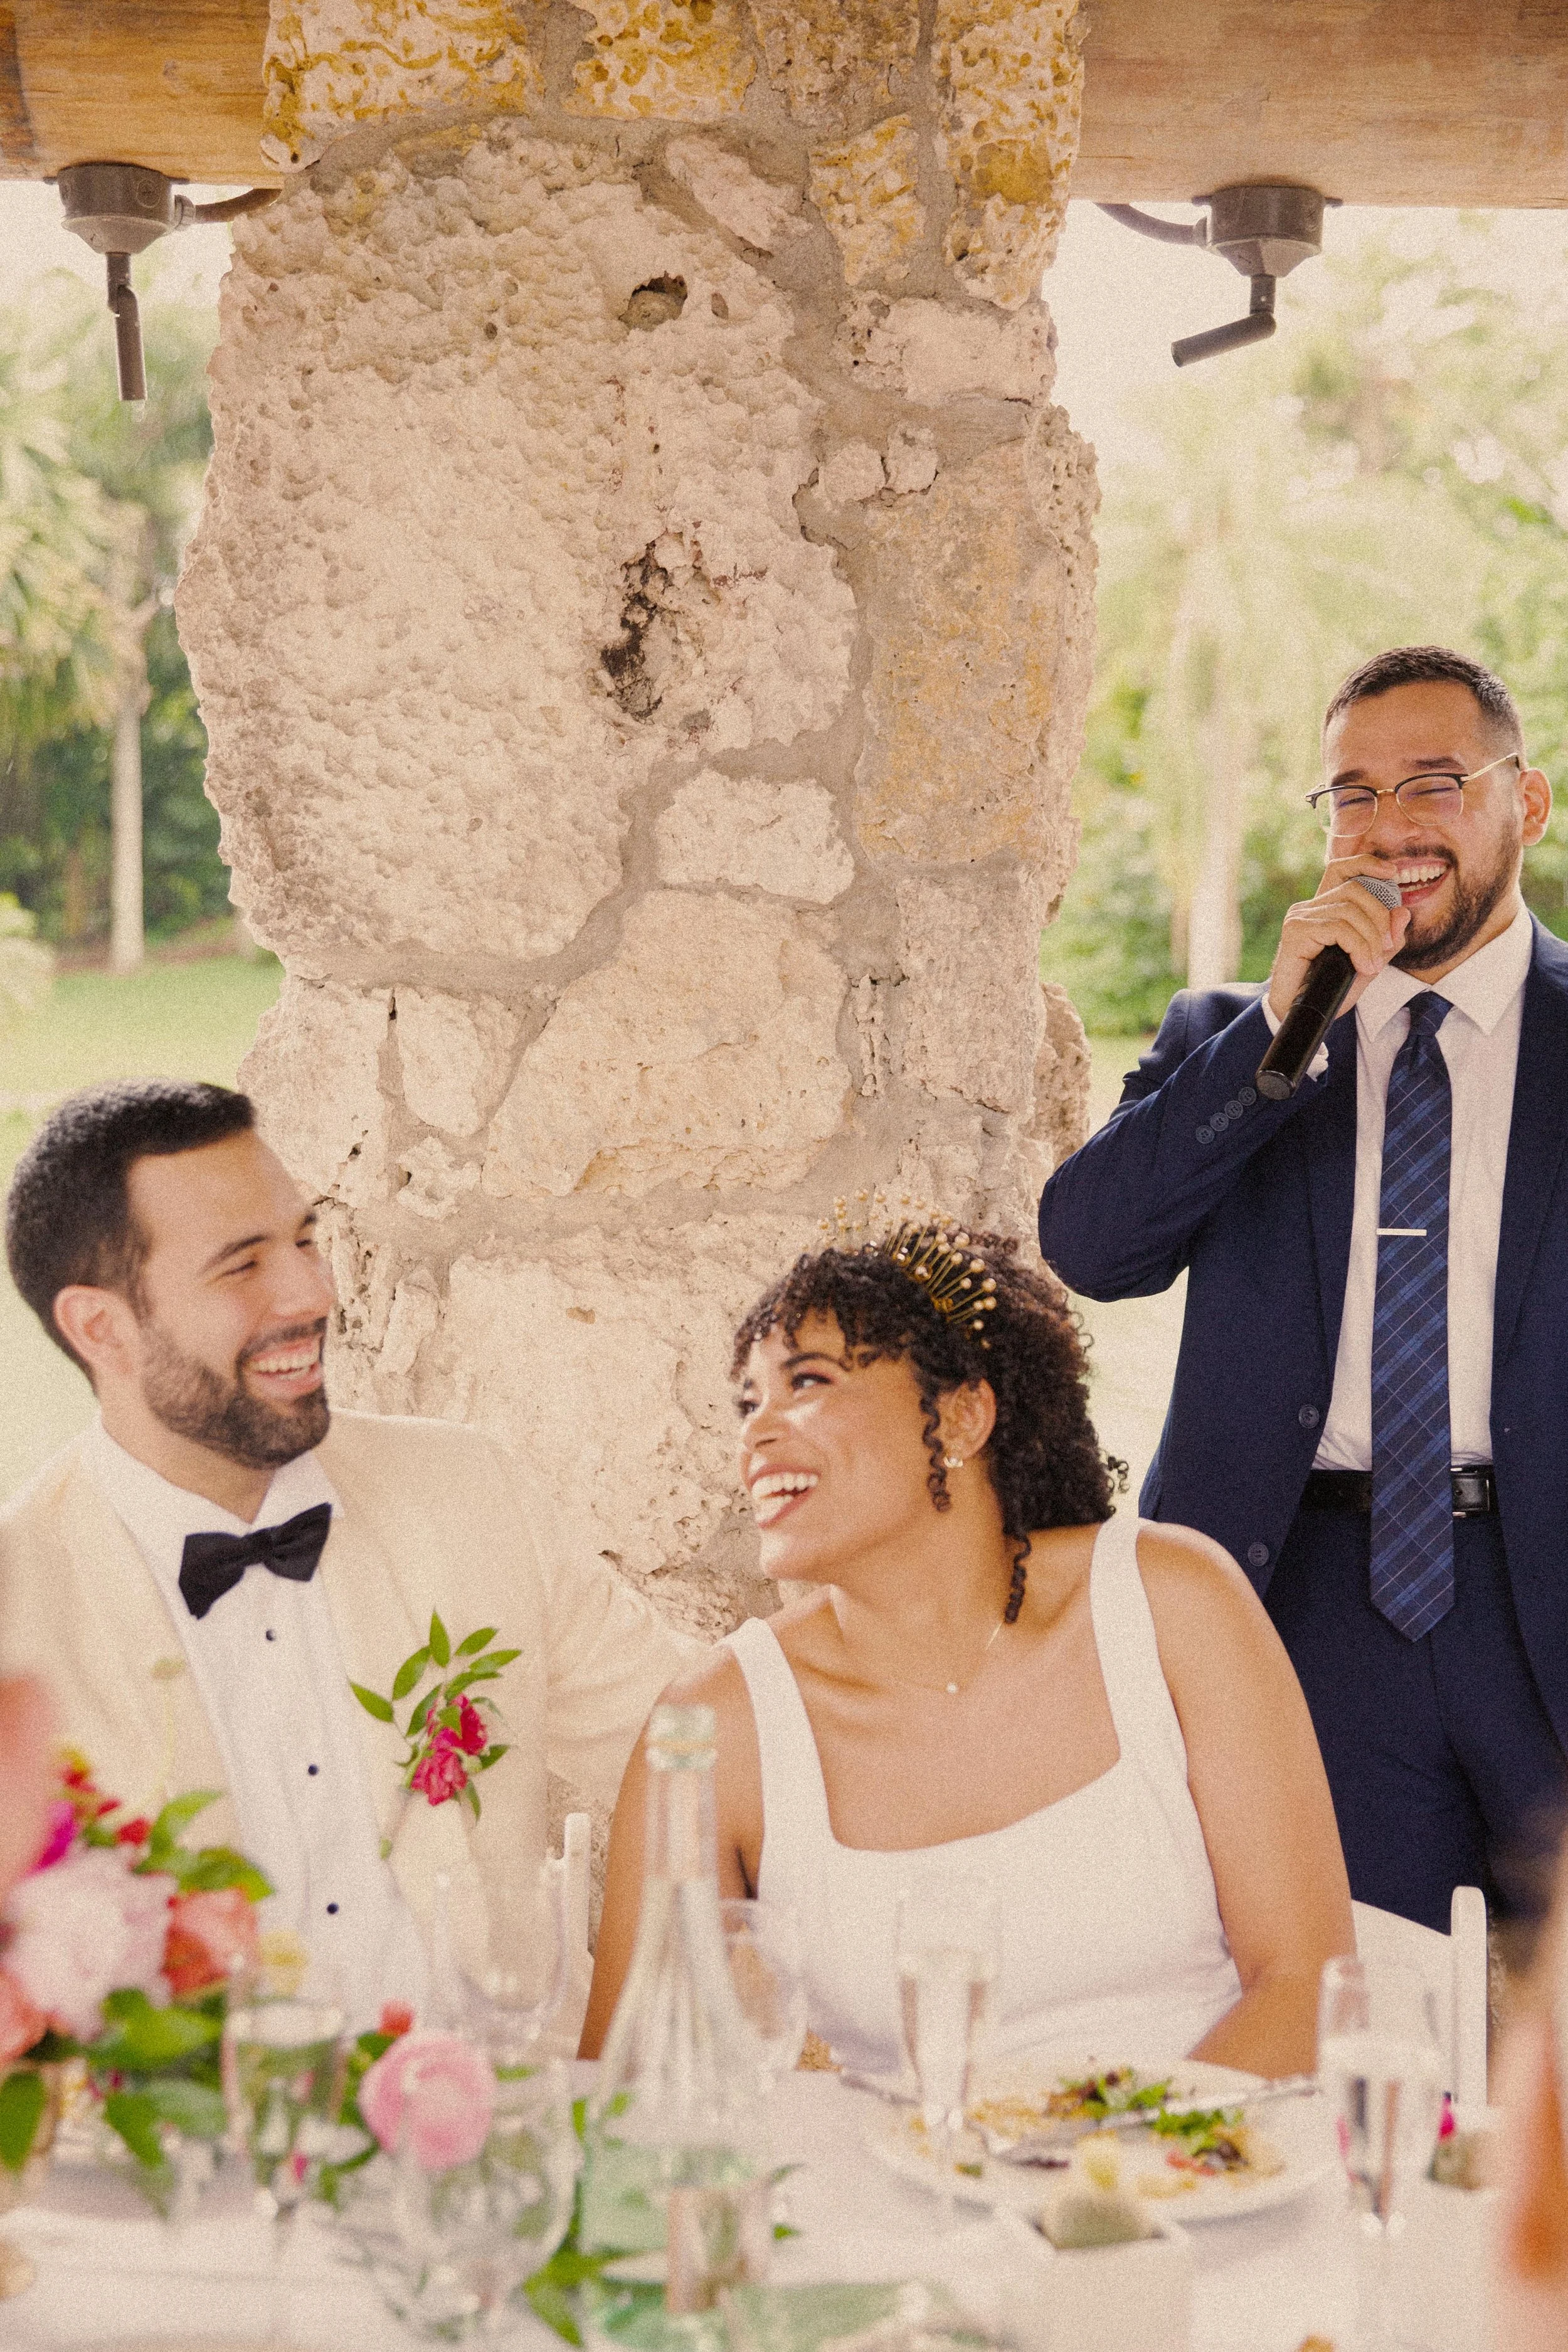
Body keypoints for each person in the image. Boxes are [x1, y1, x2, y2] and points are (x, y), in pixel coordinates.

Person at [1039, 645, 1568, 1937]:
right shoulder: (1233, 1035)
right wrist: (1278, 1030)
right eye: (1350, 795)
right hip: (1302, 1610)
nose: (1388, 828)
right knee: (1342, 2011)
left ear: (1525, 803)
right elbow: (1090, 1249)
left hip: (1537, 1587)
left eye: (1431, 784)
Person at [0, 1081, 696, 2028]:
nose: (312, 1292)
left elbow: (702, 1747)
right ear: (101, 1328)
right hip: (190, 2168)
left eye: (304, 1239)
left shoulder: (470, 1492)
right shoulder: (18, 1608)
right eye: (243, 1265)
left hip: (508, 2137)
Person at [581, 1223, 1352, 2077]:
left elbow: (1303, 1986)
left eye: (807, 1381)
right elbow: (628, 2089)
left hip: (1206, 2180)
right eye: (748, 1402)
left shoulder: (1175, 1604)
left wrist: (1109, 2182)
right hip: (894, 2204)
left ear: (962, 1416)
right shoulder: (713, 1726)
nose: (756, 1434)